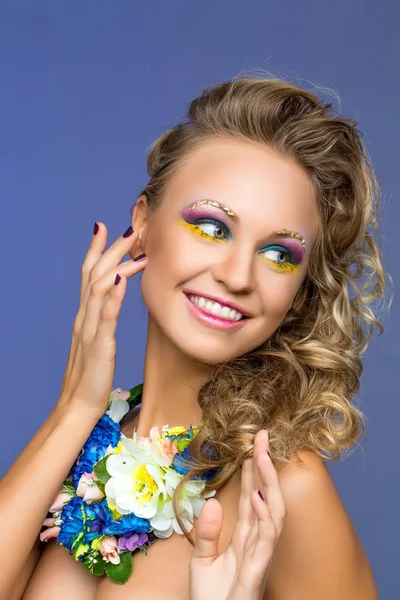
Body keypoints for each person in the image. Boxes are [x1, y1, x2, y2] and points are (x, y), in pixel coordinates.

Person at [0, 72, 387, 600]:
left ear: (297, 292)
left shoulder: (282, 489)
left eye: (279, 254)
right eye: (212, 227)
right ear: (143, 226)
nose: (238, 275)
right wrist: (75, 408)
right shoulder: (84, 446)